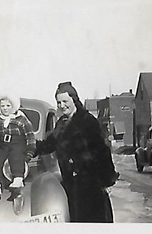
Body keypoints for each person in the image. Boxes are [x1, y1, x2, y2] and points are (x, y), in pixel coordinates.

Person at [35, 82, 119, 222]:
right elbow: (49, 144)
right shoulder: (61, 123)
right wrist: (29, 146)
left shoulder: (88, 121)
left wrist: (106, 180)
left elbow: (102, 151)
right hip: (71, 184)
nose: (62, 106)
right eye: (59, 102)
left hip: (90, 186)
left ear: (74, 99)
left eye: (65, 101)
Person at [0, 95, 36, 200]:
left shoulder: (21, 120)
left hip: (18, 144)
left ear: (13, 106)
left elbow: (30, 136)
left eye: (8, 105)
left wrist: (29, 152)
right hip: (4, 146)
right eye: (2, 106)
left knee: (16, 156)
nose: (5, 108)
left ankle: (18, 178)